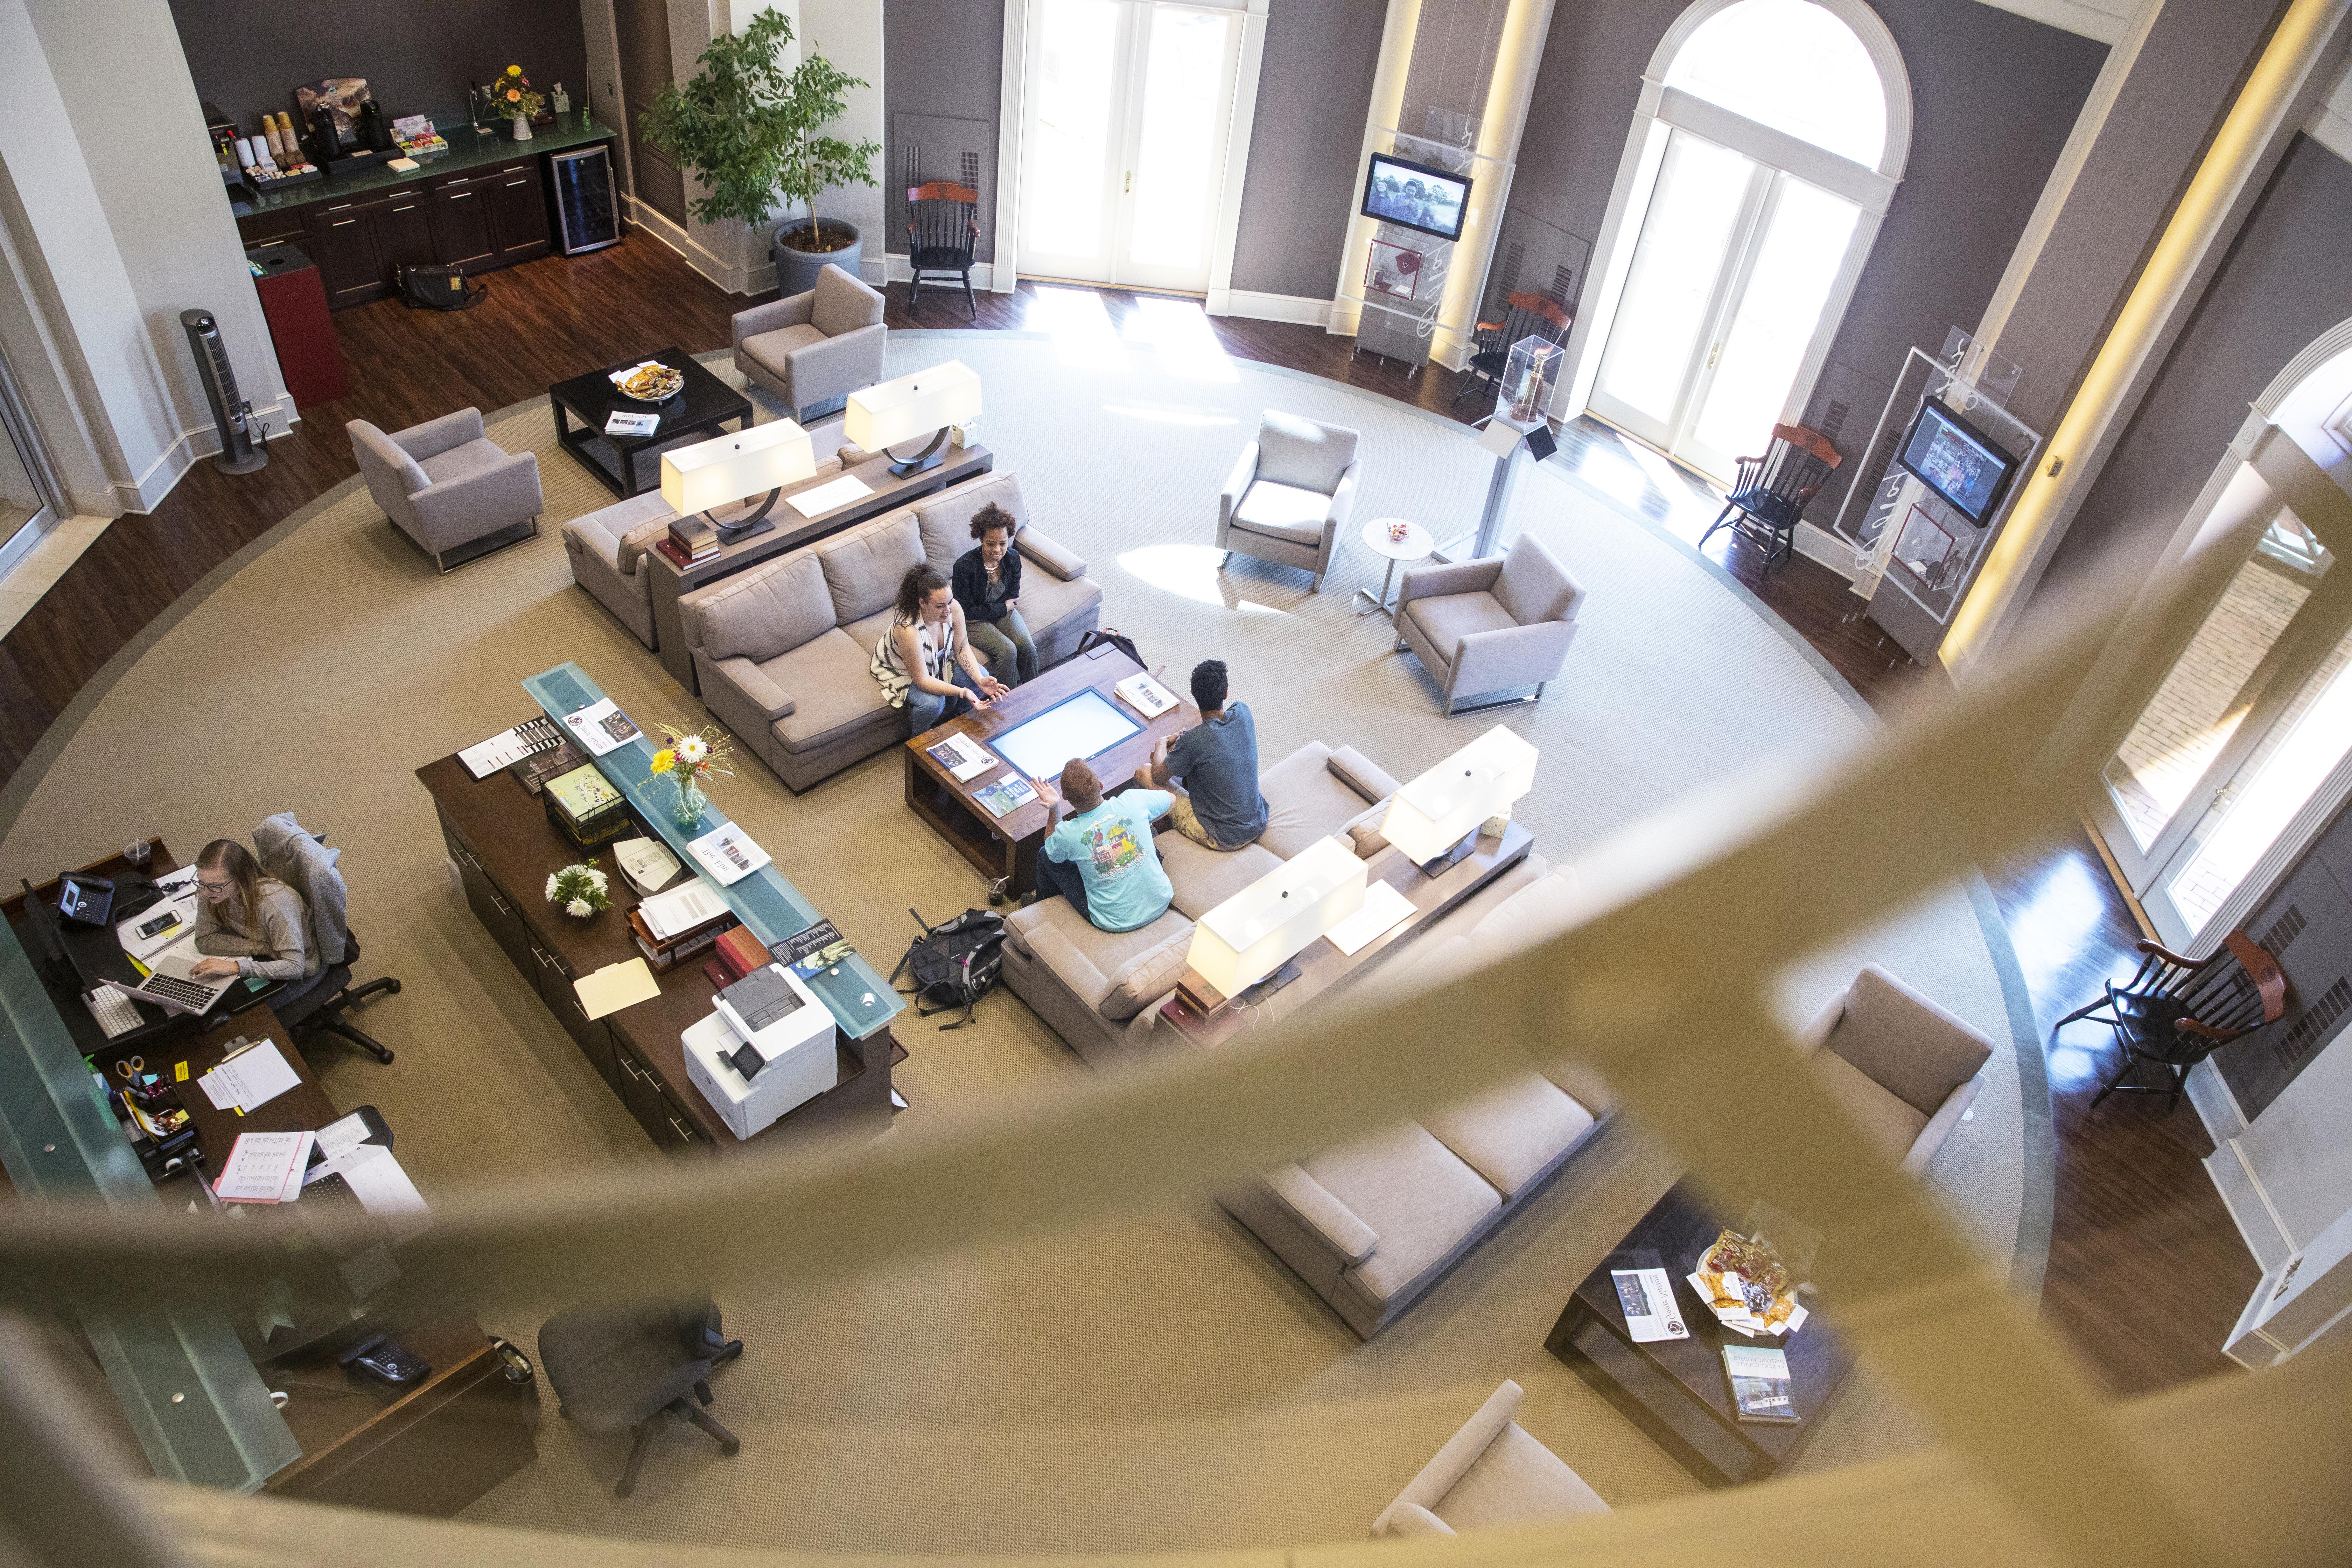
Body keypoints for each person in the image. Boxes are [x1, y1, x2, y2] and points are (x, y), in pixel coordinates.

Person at [1135, 659, 1267, 852]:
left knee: (1142, 774)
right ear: (1226, 693)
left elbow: (1158, 776)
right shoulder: (1243, 711)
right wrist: (1186, 744)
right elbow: (1216, 738)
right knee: (1192, 766)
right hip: (1258, 820)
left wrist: (1162, 743)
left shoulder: (1194, 741)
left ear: (1193, 695)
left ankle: (1165, 839)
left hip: (1223, 837)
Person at [1032, 758, 1175, 933]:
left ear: (1066, 798)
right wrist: (1145, 821)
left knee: (1044, 855)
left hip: (1115, 922)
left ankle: (1040, 910)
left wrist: (1054, 808)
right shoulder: (1133, 799)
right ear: (1100, 785)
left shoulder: (1068, 834)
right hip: (1161, 901)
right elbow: (1172, 800)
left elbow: (1051, 851)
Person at [872, 562, 1009, 733]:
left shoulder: (954, 609)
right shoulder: (908, 631)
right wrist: (962, 692)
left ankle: (961, 722)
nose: (947, 611)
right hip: (903, 670)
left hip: (938, 660)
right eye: (939, 606)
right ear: (922, 603)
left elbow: (962, 648)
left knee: (981, 676)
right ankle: (917, 739)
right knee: (934, 704)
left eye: (949, 603)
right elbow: (923, 680)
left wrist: (979, 680)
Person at [187, 839, 321, 983]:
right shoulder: (210, 889)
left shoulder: (276, 903)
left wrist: (236, 967)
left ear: (240, 878)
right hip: (262, 957)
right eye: (201, 882)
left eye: (216, 886)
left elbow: (295, 967)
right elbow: (204, 940)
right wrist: (262, 947)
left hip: (300, 973)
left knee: (235, 1004)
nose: (206, 893)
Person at [952, 502, 1037, 689]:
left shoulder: (1013, 558)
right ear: (981, 540)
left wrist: (1004, 608)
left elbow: (1013, 594)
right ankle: (1007, 702)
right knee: (1008, 651)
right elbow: (965, 611)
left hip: (1002, 612)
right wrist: (1002, 608)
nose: (998, 550)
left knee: (1027, 647)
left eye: (1003, 544)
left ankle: (1034, 692)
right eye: (991, 544)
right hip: (973, 621)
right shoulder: (964, 567)